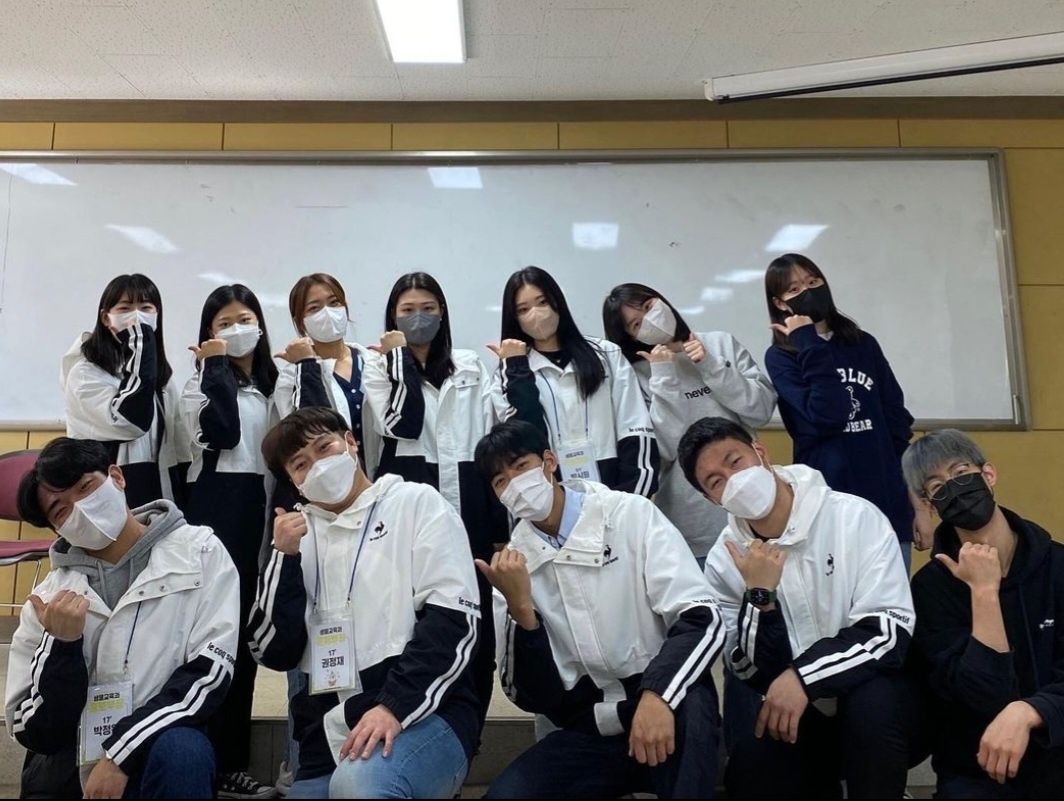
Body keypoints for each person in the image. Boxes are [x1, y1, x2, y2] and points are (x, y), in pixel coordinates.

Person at [474, 419, 724, 799]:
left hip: (669, 703)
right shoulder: (513, 567)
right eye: (500, 481)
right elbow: (529, 695)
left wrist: (658, 694)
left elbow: (702, 618)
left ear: (549, 461)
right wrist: (521, 611)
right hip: (591, 728)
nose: (514, 484)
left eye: (520, 466)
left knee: (694, 714)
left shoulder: (629, 514)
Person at [248, 407, 481, 799]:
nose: (317, 465)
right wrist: (282, 558)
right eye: (300, 464)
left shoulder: (416, 503)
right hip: (329, 736)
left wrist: (393, 706)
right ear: (294, 484)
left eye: (324, 447)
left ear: (351, 442)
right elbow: (273, 651)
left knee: (360, 785)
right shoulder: (296, 537)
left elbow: (454, 623)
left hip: (424, 714)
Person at [683, 417, 917, 799]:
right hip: (797, 713)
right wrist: (760, 596)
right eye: (716, 481)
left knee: (872, 703)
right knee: (749, 768)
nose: (733, 480)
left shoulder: (854, 517)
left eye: (735, 461)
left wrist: (804, 677)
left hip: (879, 703)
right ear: (712, 500)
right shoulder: (725, 560)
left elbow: (887, 632)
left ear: (760, 452)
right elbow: (747, 668)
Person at [6, 437, 239, 800]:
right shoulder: (48, 598)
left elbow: (209, 673)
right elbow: (34, 730)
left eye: (85, 488)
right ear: (57, 530)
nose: (80, 508)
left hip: (159, 747)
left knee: (184, 752)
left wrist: (120, 754)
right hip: (71, 763)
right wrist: (61, 646)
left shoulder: (200, 552)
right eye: (61, 510)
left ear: (116, 476)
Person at [364, 271, 509, 740]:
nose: (418, 318)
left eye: (427, 308)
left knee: (475, 627)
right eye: (407, 310)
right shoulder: (379, 367)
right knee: (417, 625)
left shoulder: (469, 364)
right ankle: (413, 728)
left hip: (471, 508)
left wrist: (501, 526)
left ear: (442, 312)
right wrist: (399, 358)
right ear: (392, 318)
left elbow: (491, 436)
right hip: (409, 511)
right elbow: (401, 424)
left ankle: (465, 737)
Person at [904, 430, 1064, 798]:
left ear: (988, 475)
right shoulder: (930, 589)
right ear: (931, 505)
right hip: (978, 768)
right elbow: (981, 699)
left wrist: (1030, 711)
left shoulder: (1057, 566)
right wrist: (984, 593)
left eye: (961, 473)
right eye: (938, 487)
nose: (954, 488)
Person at [763, 253, 926, 571]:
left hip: (887, 501)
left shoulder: (863, 344)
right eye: (794, 289)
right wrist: (807, 341)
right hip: (827, 509)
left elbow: (897, 424)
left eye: (813, 281)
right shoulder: (781, 357)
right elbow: (828, 416)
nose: (808, 291)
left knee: (894, 599)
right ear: (780, 303)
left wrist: (918, 507)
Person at [181, 284, 279, 800]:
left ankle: (231, 763)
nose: (237, 330)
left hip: (269, 509)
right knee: (214, 639)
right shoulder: (197, 384)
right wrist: (215, 365)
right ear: (208, 335)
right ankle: (203, 762)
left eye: (245, 319)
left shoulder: (277, 382)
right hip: (221, 509)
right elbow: (221, 434)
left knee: (246, 643)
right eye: (223, 324)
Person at [602, 282, 776, 564]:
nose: (649, 320)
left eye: (648, 307)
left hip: (758, 505)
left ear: (661, 299)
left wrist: (711, 365)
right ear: (630, 336)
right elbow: (664, 450)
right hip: (694, 524)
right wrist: (664, 376)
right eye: (636, 324)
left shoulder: (720, 344)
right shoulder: (637, 375)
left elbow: (761, 411)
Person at [489, 266, 658, 497]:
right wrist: (516, 367)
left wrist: (629, 501)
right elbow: (524, 441)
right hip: (552, 499)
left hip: (617, 490)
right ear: (514, 318)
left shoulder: (606, 354)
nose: (536, 313)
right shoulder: (507, 373)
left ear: (557, 302)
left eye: (542, 302)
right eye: (523, 309)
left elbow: (635, 426)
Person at [62, 273, 190, 510]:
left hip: (159, 486)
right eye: (125, 308)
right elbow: (129, 422)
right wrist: (141, 343)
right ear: (106, 317)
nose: (136, 316)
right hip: (111, 490)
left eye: (146, 308)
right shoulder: (85, 373)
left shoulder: (161, 377)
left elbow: (178, 440)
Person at [274, 272, 408, 477]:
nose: (328, 312)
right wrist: (306, 365)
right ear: (300, 322)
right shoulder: (292, 376)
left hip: (383, 477)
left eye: (334, 303)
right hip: (330, 481)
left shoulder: (374, 362)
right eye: (314, 308)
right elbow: (305, 433)